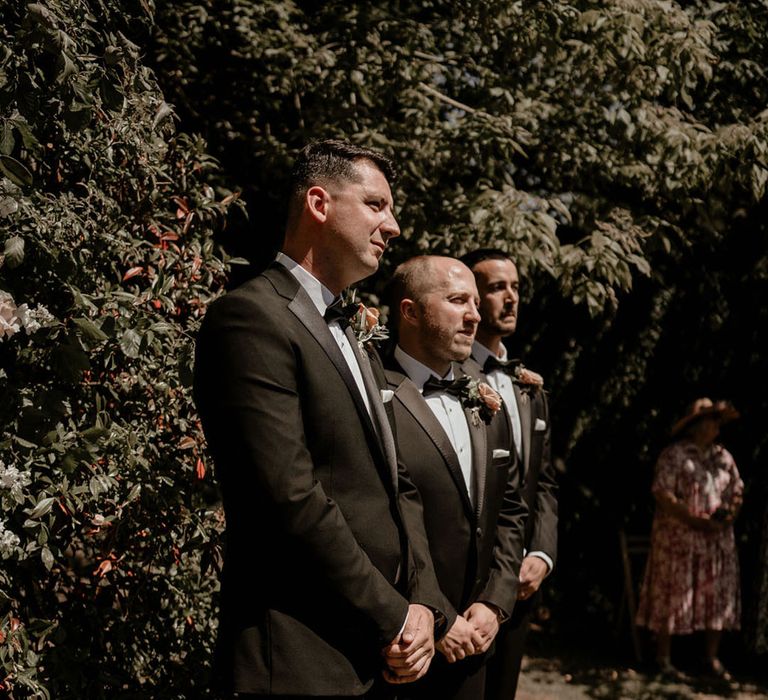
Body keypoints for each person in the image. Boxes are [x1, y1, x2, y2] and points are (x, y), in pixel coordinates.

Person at [193, 140, 448, 698]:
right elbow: (287, 496)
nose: (394, 225)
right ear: (318, 203)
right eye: (377, 205)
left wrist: (424, 604)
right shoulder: (251, 319)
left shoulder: (354, 334)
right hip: (296, 655)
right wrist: (394, 617)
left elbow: (398, 482)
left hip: (379, 654)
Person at [382, 255, 527, 699]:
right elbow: (375, 515)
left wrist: (495, 602)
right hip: (403, 640)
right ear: (409, 311)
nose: (474, 315)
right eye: (457, 300)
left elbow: (511, 508)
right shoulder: (374, 391)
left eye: (474, 304)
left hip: (478, 642)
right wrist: (438, 616)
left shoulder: (485, 393)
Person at [459, 248, 558, 700]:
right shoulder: (450, 375)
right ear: (473, 299)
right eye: (498, 287)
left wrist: (542, 554)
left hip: (522, 582)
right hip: (468, 584)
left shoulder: (528, 387)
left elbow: (544, 484)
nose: (511, 298)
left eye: (515, 287)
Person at [635, 398, 743, 679]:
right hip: (679, 538)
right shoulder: (675, 455)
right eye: (708, 420)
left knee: (717, 596)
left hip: (715, 540)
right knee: (673, 593)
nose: (713, 426)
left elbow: (736, 492)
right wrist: (692, 518)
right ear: (694, 426)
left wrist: (728, 515)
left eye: (716, 421)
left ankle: (710, 658)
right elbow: (662, 492)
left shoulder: (723, 458)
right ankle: (663, 658)